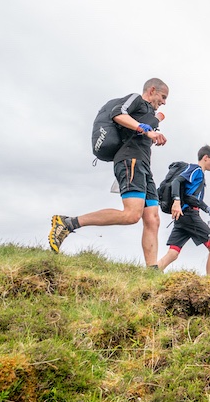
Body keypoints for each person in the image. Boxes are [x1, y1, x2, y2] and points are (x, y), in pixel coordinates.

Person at [49, 79, 169, 267]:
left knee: (152, 219)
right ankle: (68, 223)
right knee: (131, 215)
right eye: (163, 97)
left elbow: (147, 123)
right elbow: (117, 113)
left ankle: (151, 272)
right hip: (130, 160)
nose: (164, 102)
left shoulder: (148, 113)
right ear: (152, 90)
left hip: (144, 164)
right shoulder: (136, 99)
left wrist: (155, 123)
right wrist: (145, 130)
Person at [158, 145, 210, 274]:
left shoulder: (198, 174)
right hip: (189, 215)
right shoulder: (196, 169)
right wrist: (176, 201)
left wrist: (209, 210)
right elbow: (176, 181)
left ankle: (149, 273)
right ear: (205, 157)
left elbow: (192, 198)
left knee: (173, 253)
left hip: (182, 217)